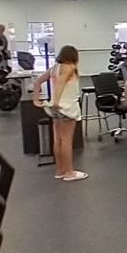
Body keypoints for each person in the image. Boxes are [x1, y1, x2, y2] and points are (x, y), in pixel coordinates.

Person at [33, 45, 87, 181]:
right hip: (66, 107)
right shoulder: (69, 68)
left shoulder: (54, 68)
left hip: (55, 109)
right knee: (67, 140)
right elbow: (61, 84)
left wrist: (36, 99)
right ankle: (69, 173)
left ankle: (60, 170)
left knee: (58, 139)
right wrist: (56, 102)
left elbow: (38, 82)